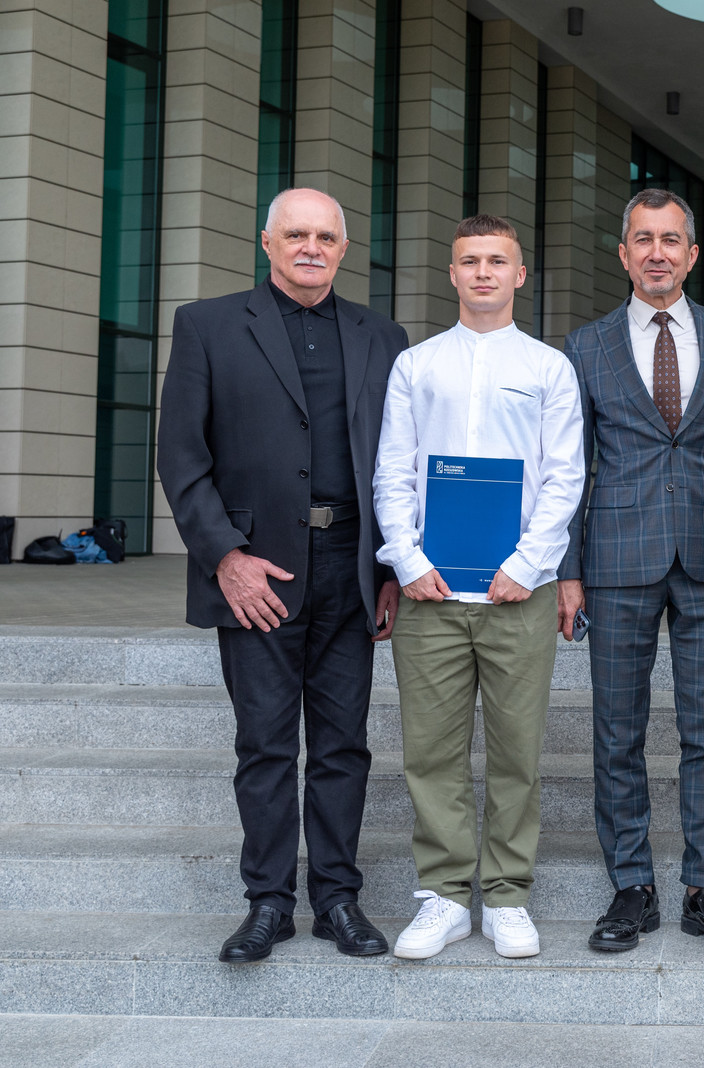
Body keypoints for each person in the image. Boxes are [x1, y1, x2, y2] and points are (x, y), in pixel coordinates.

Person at [157, 188, 408, 963]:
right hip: (256, 569)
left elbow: (399, 460)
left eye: (325, 237)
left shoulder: (383, 336)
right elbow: (181, 456)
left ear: (343, 248)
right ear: (266, 242)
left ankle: (337, 899)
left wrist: (392, 566)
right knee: (265, 744)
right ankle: (268, 902)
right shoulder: (207, 325)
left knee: (343, 746)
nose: (310, 248)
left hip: (352, 566)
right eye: (295, 234)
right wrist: (225, 558)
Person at [372, 215, 585, 960]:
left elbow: (564, 476)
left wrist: (528, 563)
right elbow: (393, 469)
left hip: (518, 592)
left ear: (520, 275)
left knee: (516, 753)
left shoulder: (549, 368)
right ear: (453, 273)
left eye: (498, 261)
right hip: (430, 592)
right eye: (471, 261)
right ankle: (443, 895)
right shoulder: (416, 365)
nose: (484, 272)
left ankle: (506, 896)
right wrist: (405, 559)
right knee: (431, 753)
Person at [559, 188, 704, 956]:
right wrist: (569, 571)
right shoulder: (586, 347)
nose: (657, 252)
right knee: (618, 733)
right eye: (642, 239)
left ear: (692, 253)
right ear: (623, 254)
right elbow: (570, 468)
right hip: (616, 561)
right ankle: (632, 887)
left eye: (670, 239)